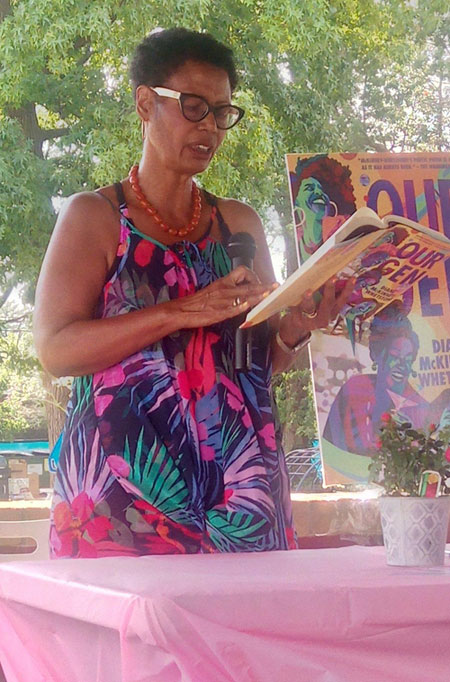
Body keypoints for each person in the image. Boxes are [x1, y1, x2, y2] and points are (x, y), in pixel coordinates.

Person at [33, 28, 353, 558]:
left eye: (222, 112)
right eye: (194, 107)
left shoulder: (239, 224)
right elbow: (55, 350)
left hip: (239, 491)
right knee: (132, 641)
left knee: (248, 638)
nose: (210, 127)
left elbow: (254, 366)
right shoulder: (94, 217)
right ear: (145, 104)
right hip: (124, 497)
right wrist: (176, 313)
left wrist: (297, 330)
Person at [323, 304, 429, 457]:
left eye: (407, 359)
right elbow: (332, 449)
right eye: (394, 355)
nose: (401, 364)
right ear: (378, 355)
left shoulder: (419, 407)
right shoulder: (353, 389)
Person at [289, 155, 357, 264]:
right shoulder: (293, 244)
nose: (318, 192)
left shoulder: (342, 227)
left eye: (321, 189)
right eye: (309, 188)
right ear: (297, 201)